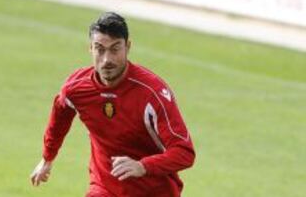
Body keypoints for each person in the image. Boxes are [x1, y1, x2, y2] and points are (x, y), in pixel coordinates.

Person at [30, 12, 196, 197]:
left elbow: (184, 152)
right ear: (90, 49)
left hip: (154, 191)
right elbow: (60, 114)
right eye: (100, 49)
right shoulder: (76, 89)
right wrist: (47, 158)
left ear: (128, 47)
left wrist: (142, 166)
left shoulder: (152, 93)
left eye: (115, 49)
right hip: (104, 188)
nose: (107, 59)